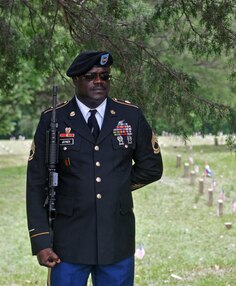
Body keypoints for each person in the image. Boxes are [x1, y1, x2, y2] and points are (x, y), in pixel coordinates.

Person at [26, 50, 163, 285]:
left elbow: (151, 166)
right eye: (91, 76)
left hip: (116, 239)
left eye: (104, 76)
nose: (99, 81)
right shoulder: (53, 120)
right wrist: (41, 241)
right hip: (68, 242)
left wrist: (116, 185)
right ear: (75, 79)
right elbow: (37, 183)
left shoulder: (130, 115)